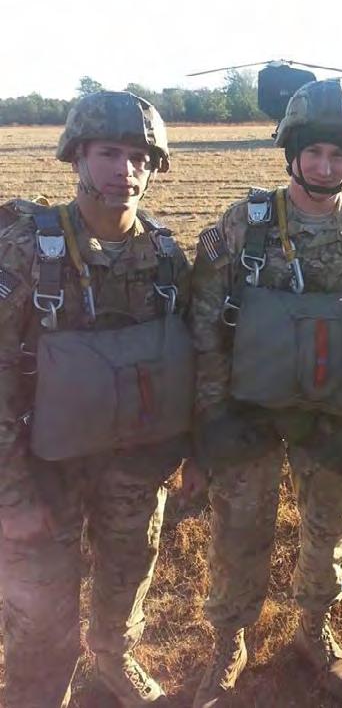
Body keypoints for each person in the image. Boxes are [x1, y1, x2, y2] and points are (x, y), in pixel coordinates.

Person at [187, 79, 342, 705]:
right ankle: (231, 638)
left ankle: (314, 627)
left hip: (336, 411)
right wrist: (211, 416)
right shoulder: (245, 224)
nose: (325, 166)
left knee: (327, 525)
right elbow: (206, 320)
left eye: (338, 155)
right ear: (292, 152)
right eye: (314, 152)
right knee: (239, 526)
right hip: (250, 408)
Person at [0, 91, 192, 708]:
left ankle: (113, 654)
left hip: (132, 463)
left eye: (140, 158)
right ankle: (37, 692)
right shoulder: (28, 249)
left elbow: (184, 362)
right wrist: (11, 498)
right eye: (109, 153)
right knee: (40, 613)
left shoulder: (165, 256)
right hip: (42, 468)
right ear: (78, 157)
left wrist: (182, 452)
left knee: (128, 573)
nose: (125, 170)